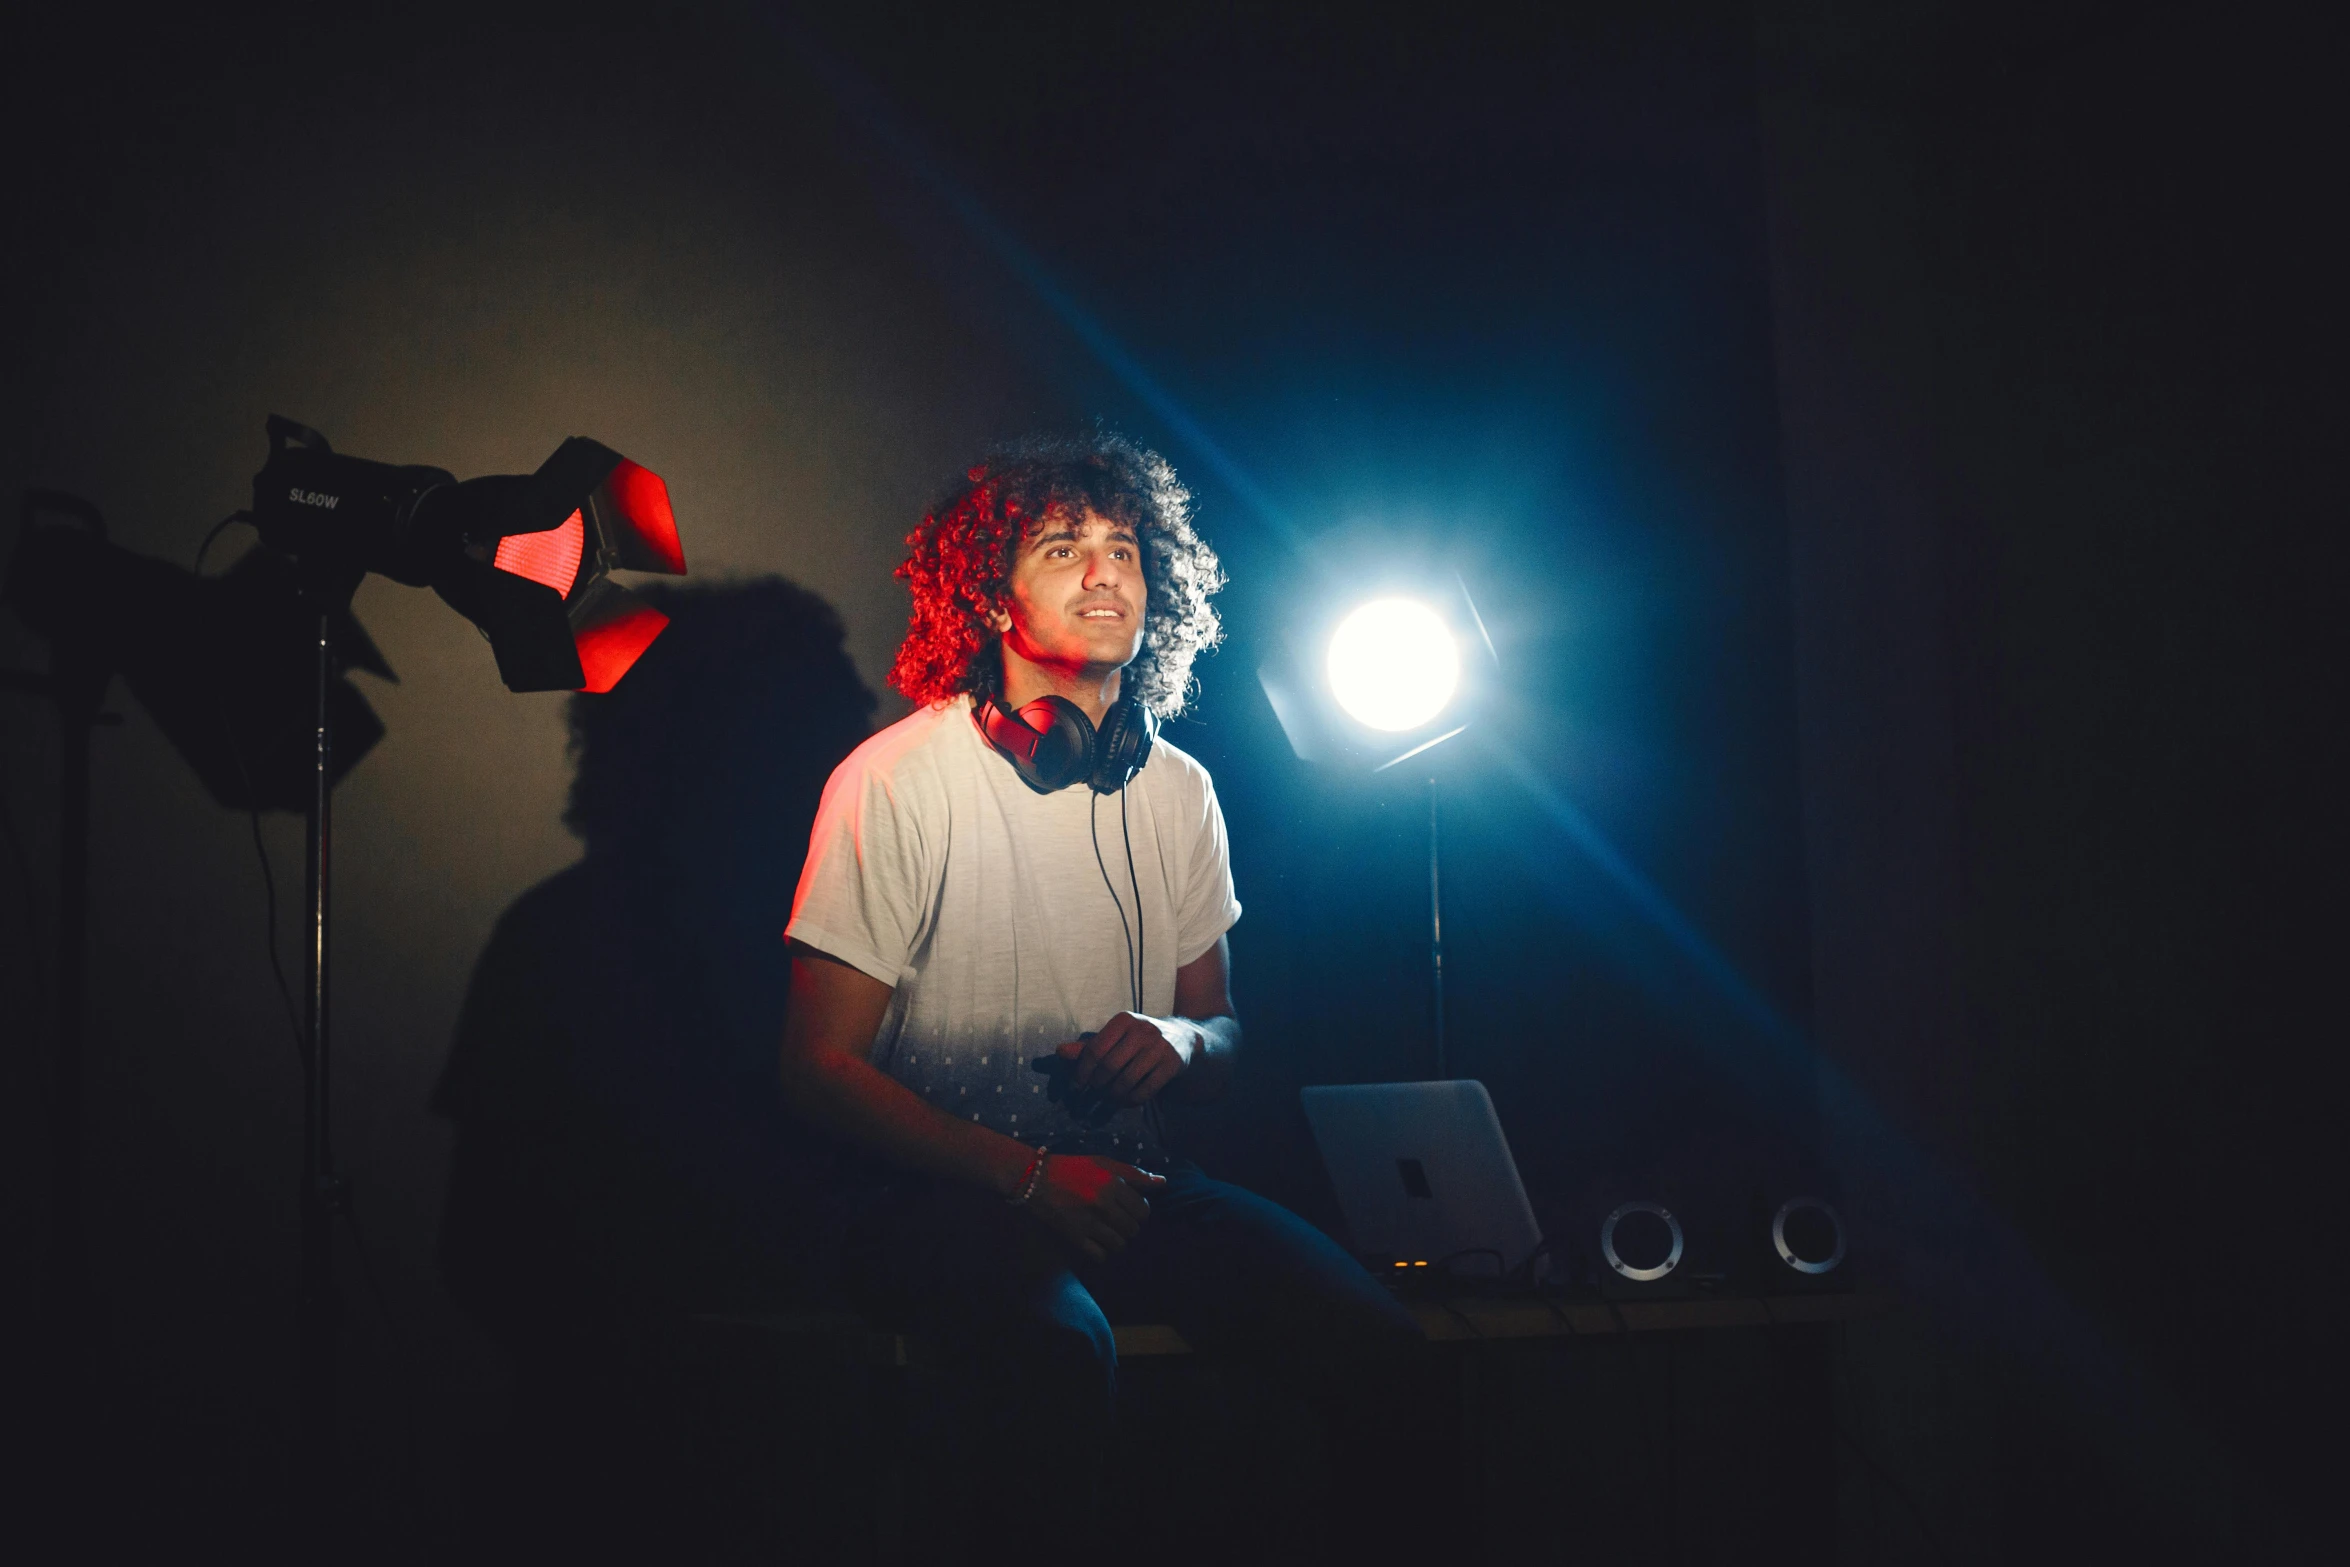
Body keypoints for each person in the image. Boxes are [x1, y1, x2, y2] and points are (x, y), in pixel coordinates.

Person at [782, 432, 1441, 1563]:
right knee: (1056, 1355)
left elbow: (1225, 1032)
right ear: (990, 596)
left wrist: (1183, 1040)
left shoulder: (1181, 789)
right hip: (938, 1196)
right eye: (1062, 547)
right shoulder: (890, 781)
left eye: (1125, 549)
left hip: (1132, 1188)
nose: (1105, 575)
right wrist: (1026, 1175)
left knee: (1387, 1350)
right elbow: (816, 1068)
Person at [433, 578, 878, 1557]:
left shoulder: (551, 934)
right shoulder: (866, 958)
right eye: (834, 730)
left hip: (605, 1460)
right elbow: (484, 1247)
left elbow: (476, 1248)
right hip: (668, 1461)